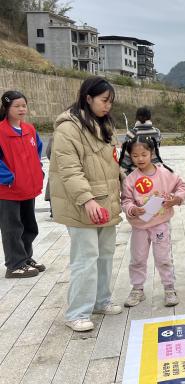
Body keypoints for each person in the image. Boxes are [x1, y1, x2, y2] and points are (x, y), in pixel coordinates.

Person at [49, 77, 123, 332]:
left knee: (105, 255)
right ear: (88, 98)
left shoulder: (104, 126)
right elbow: (70, 171)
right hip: (83, 204)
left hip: (107, 201)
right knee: (85, 257)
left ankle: (101, 300)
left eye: (110, 102)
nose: (107, 106)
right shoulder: (68, 129)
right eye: (104, 101)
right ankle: (77, 312)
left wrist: (127, 182)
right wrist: (87, 200)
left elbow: (113, 162)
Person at [121, 137, 185, 308]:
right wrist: (132, 209)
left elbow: (182, 186)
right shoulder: (130, 178)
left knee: (163, 257)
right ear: (130, 156)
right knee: (137, 258)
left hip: (160, 224)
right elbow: (126, 200)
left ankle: (169, 288)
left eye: (144, 154)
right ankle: (137, 289)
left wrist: (176, 199)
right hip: (139, 226)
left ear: (152, 153)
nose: (140, 159)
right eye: (135, 155)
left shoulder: (165, 173)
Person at [0, 91, 45, 278]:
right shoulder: (1, 131)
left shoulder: (29, 129)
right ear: (6, 108)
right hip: (8, 190)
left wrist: (38, 170)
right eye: (16, 106)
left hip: (27, 187)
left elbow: (38, 151)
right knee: (12, 227)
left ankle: (26, 258)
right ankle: (15, 264)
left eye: (23, 105)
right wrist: (7, 177)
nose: (21, 109)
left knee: (29, 225)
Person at [119, 106, 162, 175]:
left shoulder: (132, 133)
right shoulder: (157, 132)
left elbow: (125, 156)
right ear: (150, 117)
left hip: (137, 174)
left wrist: (123, 171)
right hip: (155, 171)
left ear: (136, 118)